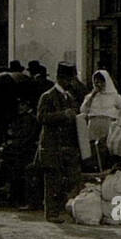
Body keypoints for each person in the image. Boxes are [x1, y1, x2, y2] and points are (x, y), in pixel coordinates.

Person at [35, 63, 83, 222]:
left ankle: (62, 209)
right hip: (51, 145)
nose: (70, 82)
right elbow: (41, 118)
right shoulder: (47, 96)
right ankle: (51, 213)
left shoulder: (69, 97)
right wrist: (63, 115)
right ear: (60, 78)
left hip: (66, 146)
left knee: (68, 179)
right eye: (68, 79)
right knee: (52, 181)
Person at [81, 69, 121, 159]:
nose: (99, 85)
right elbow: (83, 110)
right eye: (96, 82)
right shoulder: (90, 97)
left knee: (106, 148)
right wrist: (93, 95)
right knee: (93, 149)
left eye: (101, 82)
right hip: (93, 125)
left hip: (107, 125)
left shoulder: (114, 96)